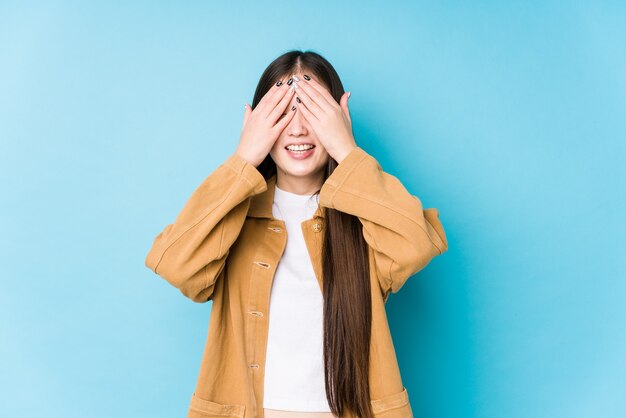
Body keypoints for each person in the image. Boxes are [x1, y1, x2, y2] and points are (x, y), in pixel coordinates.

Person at [145, 50, 449, 418]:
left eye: (312, 111)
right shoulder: (233, 219)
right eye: (283, 111)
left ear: (337, 119)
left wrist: (347, 152)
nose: (299, 128)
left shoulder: (365, 217)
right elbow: (177, 265)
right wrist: (242, 160)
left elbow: (416, 245)